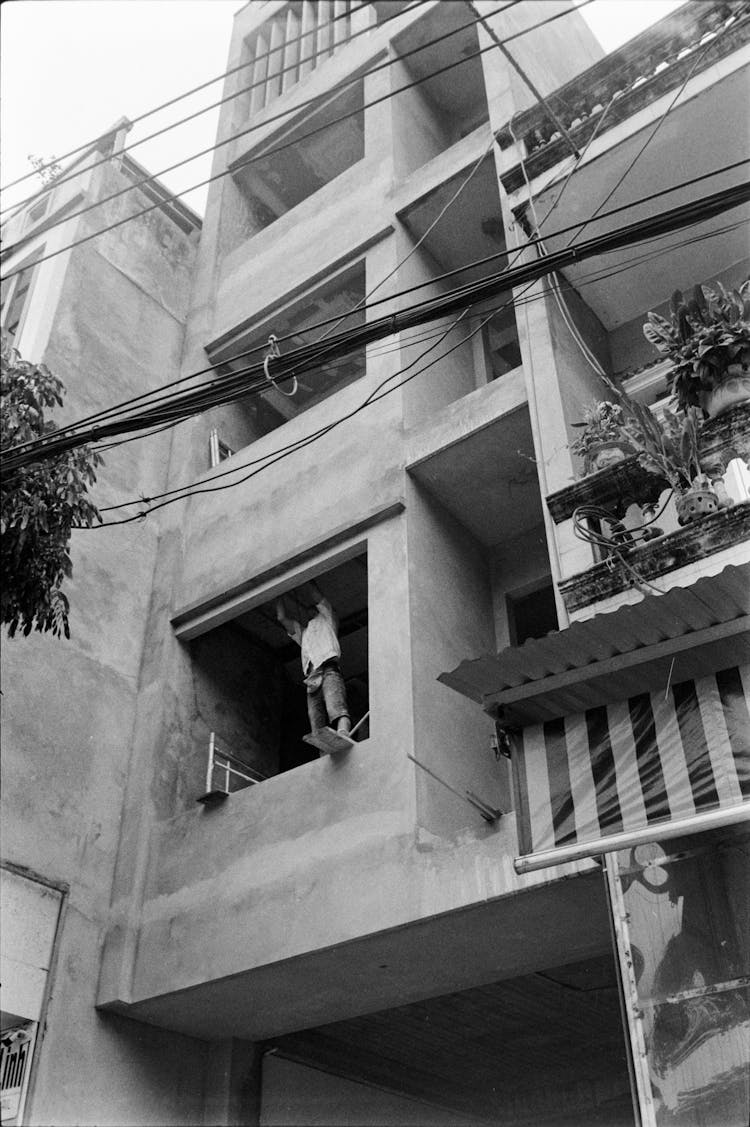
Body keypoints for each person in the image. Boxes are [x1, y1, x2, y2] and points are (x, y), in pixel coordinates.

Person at [276, 581, 351, 739]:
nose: (309, 609)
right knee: (316, 721)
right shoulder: (304, 634)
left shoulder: (328, 618)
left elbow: (317, 597)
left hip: (328, 670)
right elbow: (281, 618)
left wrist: (303, 578)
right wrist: (278, 592)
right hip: (312, 680)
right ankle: (323, 748)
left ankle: (343, 733)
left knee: (336, 707)